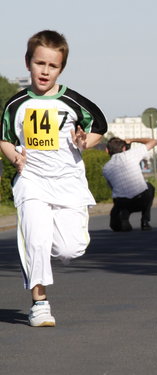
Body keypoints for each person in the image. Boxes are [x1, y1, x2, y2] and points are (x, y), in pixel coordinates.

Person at [0, 30, 108, 327]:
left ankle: (50, 245)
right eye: (40, 63)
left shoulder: (73, 101)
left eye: (52, 66)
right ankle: (40, 304)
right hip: (32, 181)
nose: (45, 71)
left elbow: (99, 126)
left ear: (61, 68)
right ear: (28, 63)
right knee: (35, 239)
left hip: (68, 183)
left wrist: (86, 141)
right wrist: (14, 157)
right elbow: (5, 138)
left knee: (70, 249)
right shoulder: (16, 104)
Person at [102, 137, 157, 232]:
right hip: (141, 199)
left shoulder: (106, 168)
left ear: (107, 150)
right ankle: (145, 220)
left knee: (115, 225)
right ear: (124, 148)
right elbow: (154, 141)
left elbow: (113, 188)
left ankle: (123, 216)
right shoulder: (131, 154)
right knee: (149, 187)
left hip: (122, 203)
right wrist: (132, 140)